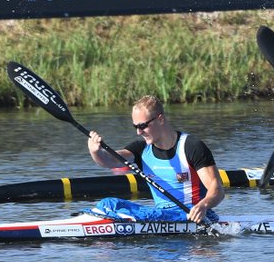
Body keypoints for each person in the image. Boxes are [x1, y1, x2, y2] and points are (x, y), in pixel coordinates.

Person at [87, 95, 224, 224]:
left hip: (193, 216)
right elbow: (109, 160)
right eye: (135, 127)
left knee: (131, 213)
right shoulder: (141, 149)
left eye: (142, 126)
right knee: (109, 203)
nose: (138, 132)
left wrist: (203, 205)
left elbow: (217, 190)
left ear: (160, 119)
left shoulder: (191, 146)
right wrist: (96, 152)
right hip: (162, 216)